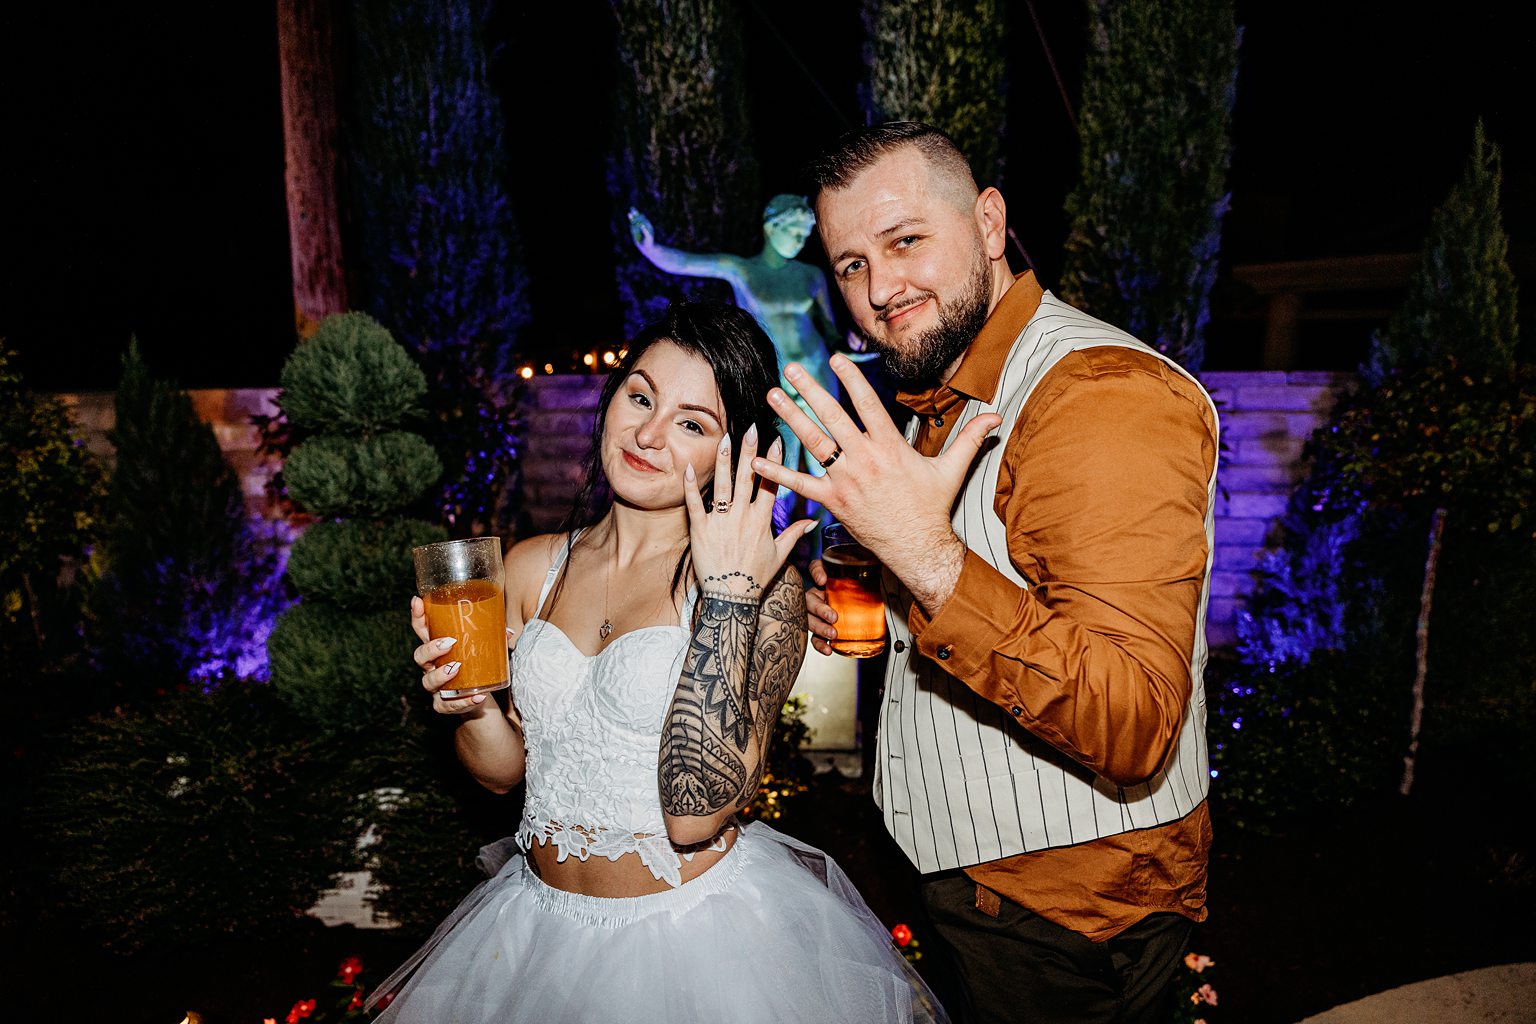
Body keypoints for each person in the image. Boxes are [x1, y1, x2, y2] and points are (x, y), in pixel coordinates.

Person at [751, 122, 1221, 1023]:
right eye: (850, 264)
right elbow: (998, 580)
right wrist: (881, 596)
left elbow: (1133, 718)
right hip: (985, 892)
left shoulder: (1101, 397)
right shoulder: (945, 390)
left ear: (992, 225)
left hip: (1071, 912)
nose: (880, 289)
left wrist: (925, 560)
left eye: (905, 241)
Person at [367, 301, 949, 1024]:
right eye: (640, 397)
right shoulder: (529, 568)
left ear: (733, 452)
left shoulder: (761, 587)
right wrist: (475, 705)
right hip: (533, 930)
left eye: (692, 423)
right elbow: (503, 773)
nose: (647, 434)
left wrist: (732, 597)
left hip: (692, 944)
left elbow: (697, 813)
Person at [628, 195, 876, 521]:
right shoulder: (742, 270)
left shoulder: (810, 275)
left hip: (818, 377)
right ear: (773, 226)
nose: (802, 241)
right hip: (776, 386)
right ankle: (776, 555)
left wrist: (851, 346)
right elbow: (688, 263)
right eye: (797, 232)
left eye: (805, 235)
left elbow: (828, 331)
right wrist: (650, 248)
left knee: (827, 470)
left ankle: (824, 555)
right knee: (778, 472)